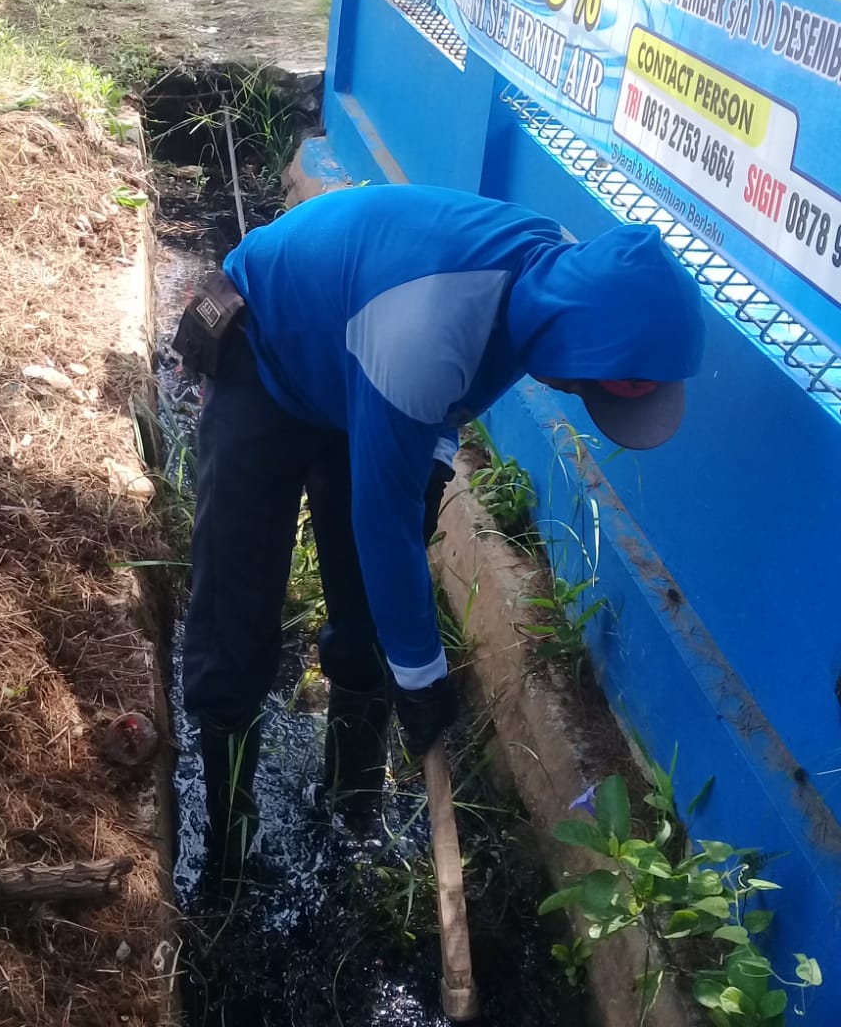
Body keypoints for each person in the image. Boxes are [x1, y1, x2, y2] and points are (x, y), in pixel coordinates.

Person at [175, 183, 706, 882]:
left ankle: (349, 818)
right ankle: (227, 854)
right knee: (237, 609)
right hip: (267, 343)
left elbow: (456, 387)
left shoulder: (555, 286)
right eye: (585, 386)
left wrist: (427, 460)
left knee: (371, 614)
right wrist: (422, 678)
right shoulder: (433, 322)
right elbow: (383, 512)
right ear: (570, 346)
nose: (580, 396)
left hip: (360, 362)